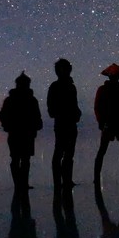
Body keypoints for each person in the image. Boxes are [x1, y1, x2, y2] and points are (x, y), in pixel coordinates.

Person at [0, 72, 43, 194]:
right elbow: (3, 115)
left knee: (23, 159)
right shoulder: (12, 99)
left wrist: (36, 126)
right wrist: (7, 126)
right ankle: (19, 184)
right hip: (17, 133)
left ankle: (22, 183)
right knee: (18, 159)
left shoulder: (31, 99)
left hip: (26, 133)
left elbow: (37, 115)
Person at [93, 63, 119, 184]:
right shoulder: (114, 90)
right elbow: (98, 107)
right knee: (107, 151)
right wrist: (101, 121)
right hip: (111, 124)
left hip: (117, 124)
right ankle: (97, 178)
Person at [47, 58, 82, 189]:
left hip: (70, 123)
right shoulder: (55, 86)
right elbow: (51, 108)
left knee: (68, 153)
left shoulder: (71, 86)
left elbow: (74, 104)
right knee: (60, 152)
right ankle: (59, 182)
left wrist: (77, 113)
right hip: (62, 124)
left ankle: (67, 180)